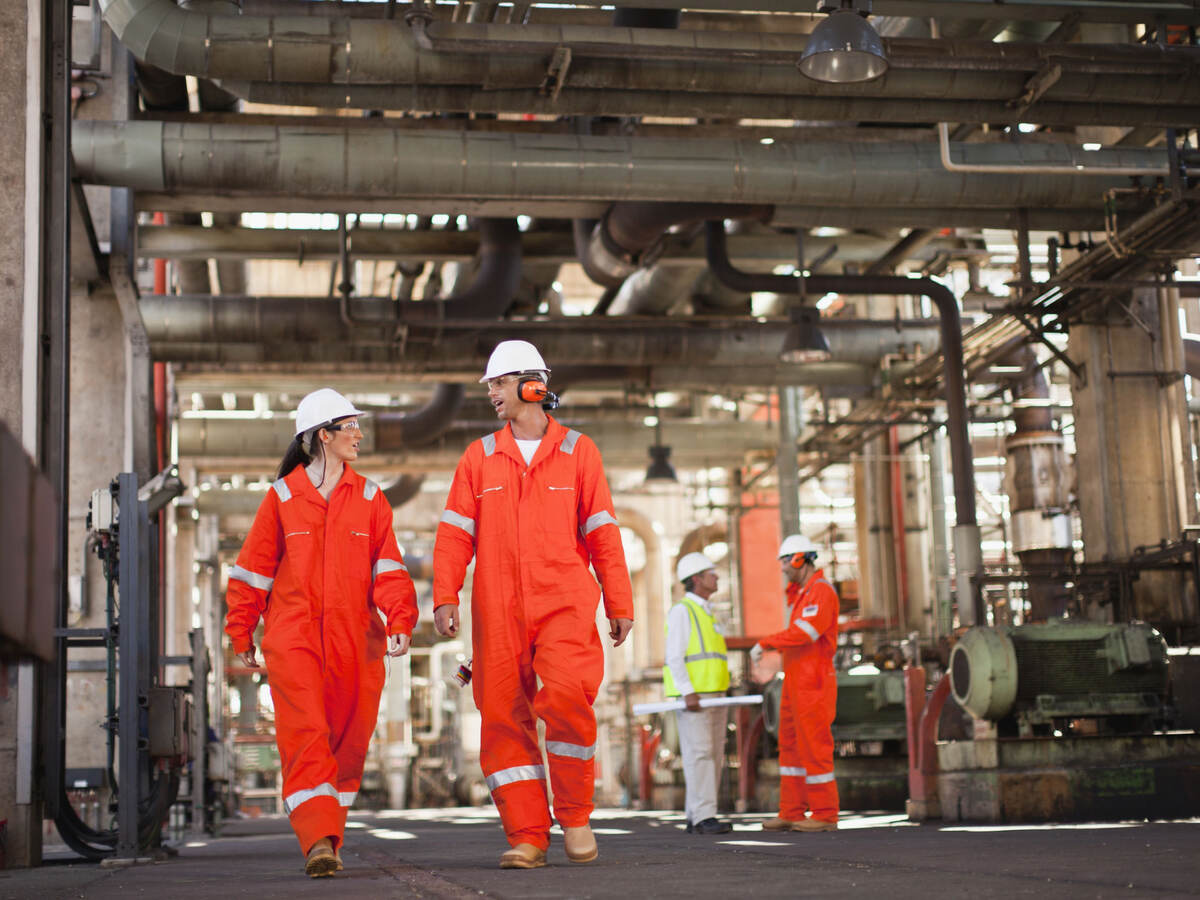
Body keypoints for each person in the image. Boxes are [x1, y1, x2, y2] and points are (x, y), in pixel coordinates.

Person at [432, 340, 634, 870]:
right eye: (491, 385)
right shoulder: (479, 457)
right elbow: (455, 534)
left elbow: (604, 534)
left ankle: (575, 815)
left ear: (531, 386)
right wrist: (445, 595)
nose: (492, 394)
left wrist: (619, 598)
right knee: (502, 715)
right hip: (497, 610)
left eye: (498, 384)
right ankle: (527, 834)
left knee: (567, 697)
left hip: (563, 602)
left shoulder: (578, 452)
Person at [225, 388, 418, 877]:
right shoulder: (282, 498)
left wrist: (399, 619)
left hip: (357, 640)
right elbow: (252, 573)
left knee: (348, 742)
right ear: (320, 436)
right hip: (295, 637)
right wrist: (242, 630)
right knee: (306, 734)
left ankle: (330, 832)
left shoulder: (372, 499)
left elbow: (389, 569)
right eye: (348, 426)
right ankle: (317, 840)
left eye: (357, 424)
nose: (358, 434)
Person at [751, 534, 840, 832]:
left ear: (800, 559)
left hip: (813, 681)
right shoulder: (804, 593)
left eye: (786, 563)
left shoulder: (820, 592)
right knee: (789, 746)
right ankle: (792, 811)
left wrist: (766, 642)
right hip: (796, 679)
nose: (783, 570)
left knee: (814, 745)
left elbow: (805, 634)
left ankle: (825, 814)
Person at [664, 552, 732, 835]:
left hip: (716, 694)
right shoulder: (683, 610)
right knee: (700, 754)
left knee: (712, 755)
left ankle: (697, 815)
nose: (716, 576)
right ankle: (704, 816)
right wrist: (688, 692)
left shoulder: (708, 612)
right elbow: (674, 656)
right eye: (710, 573)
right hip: (697, 697)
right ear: (696, 579)